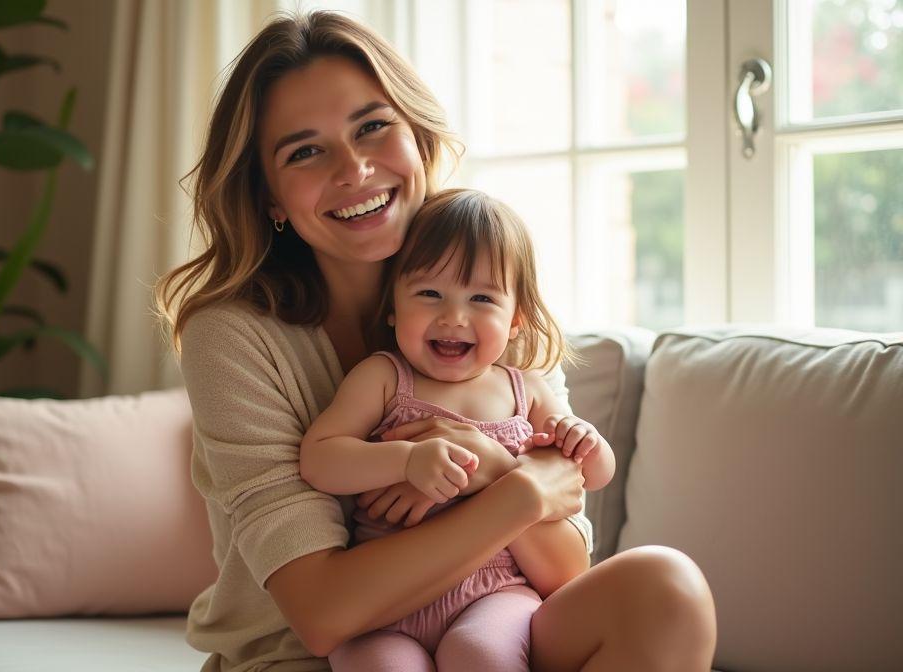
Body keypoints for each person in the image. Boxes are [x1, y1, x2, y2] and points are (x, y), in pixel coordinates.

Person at [156, 10, 717, 672]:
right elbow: (323, 615)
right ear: (270, 196)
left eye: (372, 127)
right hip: (325, 660)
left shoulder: (486, 291)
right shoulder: (233, 337)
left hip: (494, 635)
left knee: (665, 588)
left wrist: (486, 465)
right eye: (305, 151)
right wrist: (521, 491)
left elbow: (563, 570)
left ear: (418, 137)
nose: (356, 168)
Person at [300, 188, 616, 671]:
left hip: (495, 594)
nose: (453, 317)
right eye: (429, 293)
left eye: (482, 298)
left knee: (482, 655)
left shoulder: (525, 390)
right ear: (392, 306)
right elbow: (320, 458)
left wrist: (583, 440)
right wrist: (405, 459)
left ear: (516, 320)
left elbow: (588, 476)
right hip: (388, 601)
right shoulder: (384, 377)